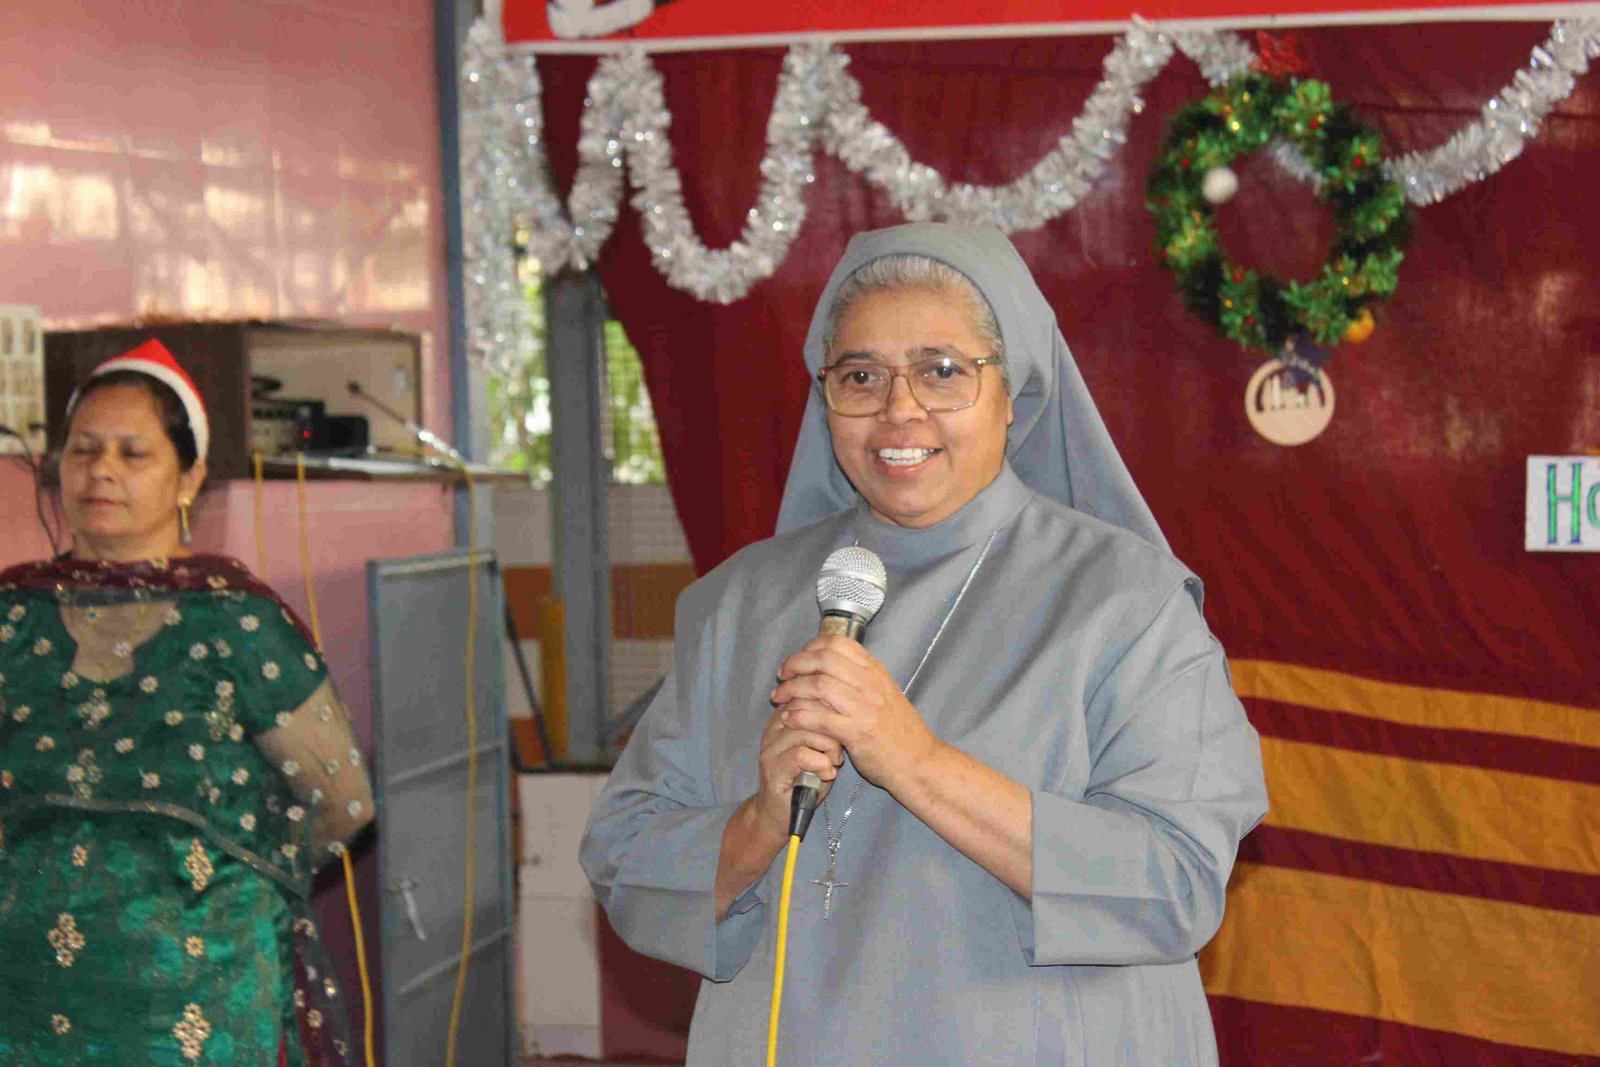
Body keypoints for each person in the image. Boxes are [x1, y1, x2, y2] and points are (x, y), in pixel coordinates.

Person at [580, 223, 1269, 1064]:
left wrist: (915, 759)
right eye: (860, 375)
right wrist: (758, 822)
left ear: (1013, 392)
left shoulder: (1128, 602)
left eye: (943, 370)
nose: (899, 410)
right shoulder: (739, 603)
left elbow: (1177, 881)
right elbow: (625, 860)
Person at [0, 340, 373, 1065]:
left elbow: (344, 802)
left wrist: (225, 876)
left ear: (190, 476)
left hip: (196, 994)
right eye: (83, 450)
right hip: (23, 994)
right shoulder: (15, 613)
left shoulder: (236, 619)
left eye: (133, 453)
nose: (101, 470)